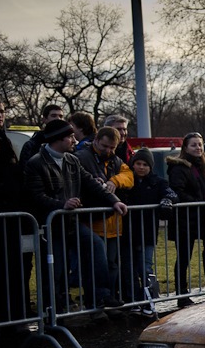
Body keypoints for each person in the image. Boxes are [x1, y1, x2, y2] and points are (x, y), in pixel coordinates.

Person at [23, 118, 127, 310]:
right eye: (70, 136)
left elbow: (91, 184)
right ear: (58, 139)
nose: (74, 140)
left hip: (71, 222)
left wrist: (114, 201)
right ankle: (53, 309)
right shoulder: (36, 163)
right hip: (50, 226)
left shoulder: (72, 160)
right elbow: (36, 196)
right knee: (56, 269)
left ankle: (101, 295)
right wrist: (63, 204)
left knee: (96, 245)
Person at [167, 132, 205, 307]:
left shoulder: (203, 166)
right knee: (184, 258)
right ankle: (182, 294)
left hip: (203, 219)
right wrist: (198, 202)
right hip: (185, 220)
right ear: (185, 148)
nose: (198, 148)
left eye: (200, 144)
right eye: (194, 145)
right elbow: (178, 191)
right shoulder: (179, 168)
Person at [76, 126, 134, 300]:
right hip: (92, 221)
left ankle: (109, 298)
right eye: (104, 146)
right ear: (95, 141)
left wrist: (114, 181)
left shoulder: (115, 161)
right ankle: (95, 301)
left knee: (112, 264)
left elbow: (129, 176)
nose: (108, 151)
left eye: (112, 148)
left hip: (113, 223)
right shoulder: (82, 158)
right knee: (95, 264)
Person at [119, 148, 177, 311]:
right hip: (127, 233)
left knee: (145, 267)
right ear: (133, 164)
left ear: (151, 167)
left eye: (145, 164)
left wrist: (167, 200)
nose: (141, 167)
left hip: (147, 232)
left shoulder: (157, 182)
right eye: (138, 163)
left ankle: (148, 301)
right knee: (129, 268)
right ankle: (132, 301)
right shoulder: (127, 182)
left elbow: (172, 194)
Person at [0, 97, 30, 324]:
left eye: (1, 111)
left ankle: (15, 319)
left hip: (12, 218)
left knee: (14, 271)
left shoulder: (6, 140)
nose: (0, 114)